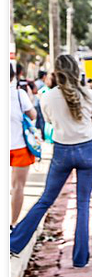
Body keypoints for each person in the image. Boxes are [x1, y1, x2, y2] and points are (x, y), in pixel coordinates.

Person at [10, 54, 92, 268]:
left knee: (45, 200)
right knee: (83, 204)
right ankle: (80, 259)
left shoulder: (47, 96)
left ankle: (14, 242)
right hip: (87, 150)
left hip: (62, 151)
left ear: (56, 72)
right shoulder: (88, 94)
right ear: (76, 71)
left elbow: (51, 121)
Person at [10, 63, 38, 228]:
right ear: (13, 76)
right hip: (20, 146)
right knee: (18, 187)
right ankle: (13, 223)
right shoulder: (20, 94)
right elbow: (33, 115)